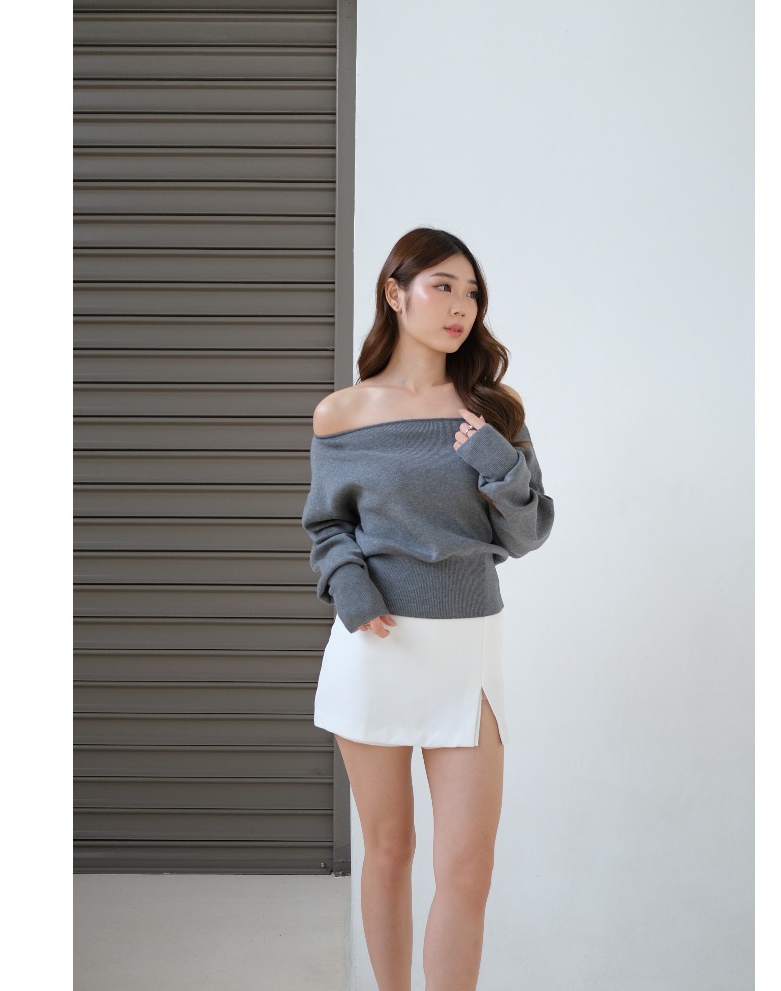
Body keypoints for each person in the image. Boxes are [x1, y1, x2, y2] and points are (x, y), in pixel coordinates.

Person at [301, 227, 554, 991]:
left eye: (471, 292)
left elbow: (528, 533)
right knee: (388, 851)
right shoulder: (342, 413)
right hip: (374, 647)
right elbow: (327, 526)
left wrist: (497, 464)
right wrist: (350, 586)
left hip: (467, 652)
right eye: (442, 286)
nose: (460, 306)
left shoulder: (494, 411)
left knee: (467, 868)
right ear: (395, 293)